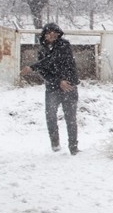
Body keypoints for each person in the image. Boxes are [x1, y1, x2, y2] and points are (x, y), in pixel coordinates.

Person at [19, 22, 80, 155]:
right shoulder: (42, 50)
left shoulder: (64, 46)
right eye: (48, 33)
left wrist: (32, 67)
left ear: (58, 34)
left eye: (54, 32)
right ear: (44, 35)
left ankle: (73, 147)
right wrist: (58, 82)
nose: (52, 35)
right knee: (50, 116)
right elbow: (45, 72)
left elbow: (54, 59)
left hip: (69, 86)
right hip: (53, 88)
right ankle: (55, 144)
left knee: (71, 118)